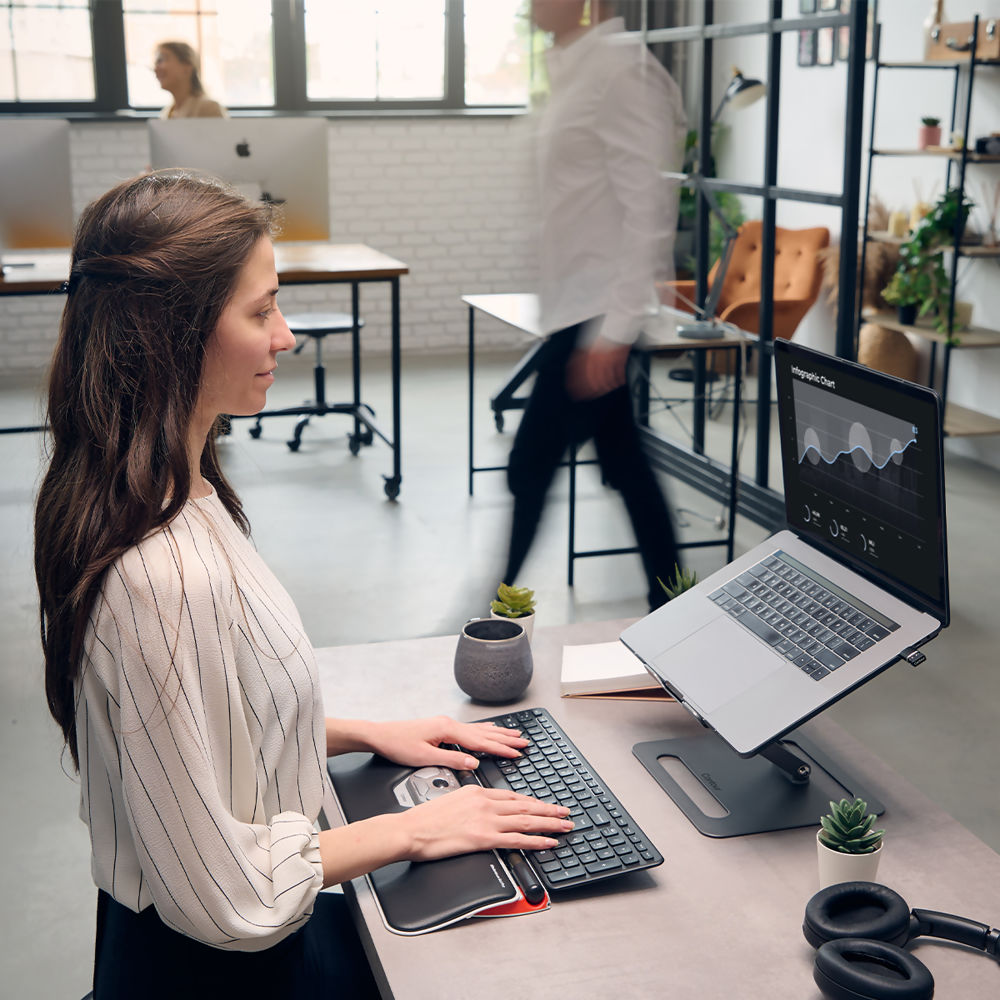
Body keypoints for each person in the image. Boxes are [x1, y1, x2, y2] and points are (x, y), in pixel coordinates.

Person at [34, 171, 573, 997]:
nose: (285, 337)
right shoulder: (160, 578)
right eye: (260, 313)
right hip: (214, 974)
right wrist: (420, 828)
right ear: (172, 334)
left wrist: (364, 734)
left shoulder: (166, 492)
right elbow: (226, 894)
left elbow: (204, 732)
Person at [502, 0, 687, 611]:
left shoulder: (620, 70)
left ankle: (491, 620)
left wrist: (616, 330)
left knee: (530, 466)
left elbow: (648, 211)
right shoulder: (572, 69)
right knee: (627, 467)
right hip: (573, 309)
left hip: (596, 317)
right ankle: (676, 606)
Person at [154, 40, 227, 118]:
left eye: (161, 60)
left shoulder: (209, 109)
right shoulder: (166, 113)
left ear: (186, 66)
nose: (156, 69)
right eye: (156, 63)